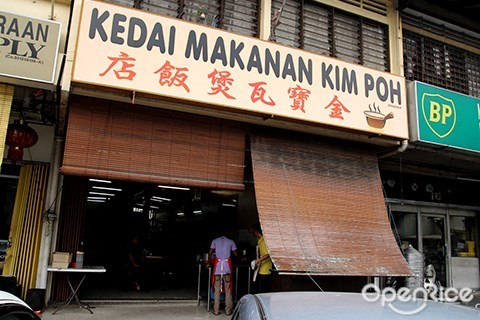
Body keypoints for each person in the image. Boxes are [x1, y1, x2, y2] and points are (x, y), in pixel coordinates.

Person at [207, 228, 237, 316]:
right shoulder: (231, 241)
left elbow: (210, 252)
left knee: (216, 290)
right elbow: (236, 254)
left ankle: (216, 311)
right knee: (228, 290)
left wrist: (209, 263)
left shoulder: (215, 241)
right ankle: (228, 311)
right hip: (227, 268)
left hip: (217, 269)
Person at [251, 223, 273, 293]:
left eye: (254, 232)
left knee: (262, 291)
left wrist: (258, 261)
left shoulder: (263, 241)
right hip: (263, 269)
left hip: (265, 270)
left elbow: (267, 254)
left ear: (257, 232)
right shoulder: (261, 240)